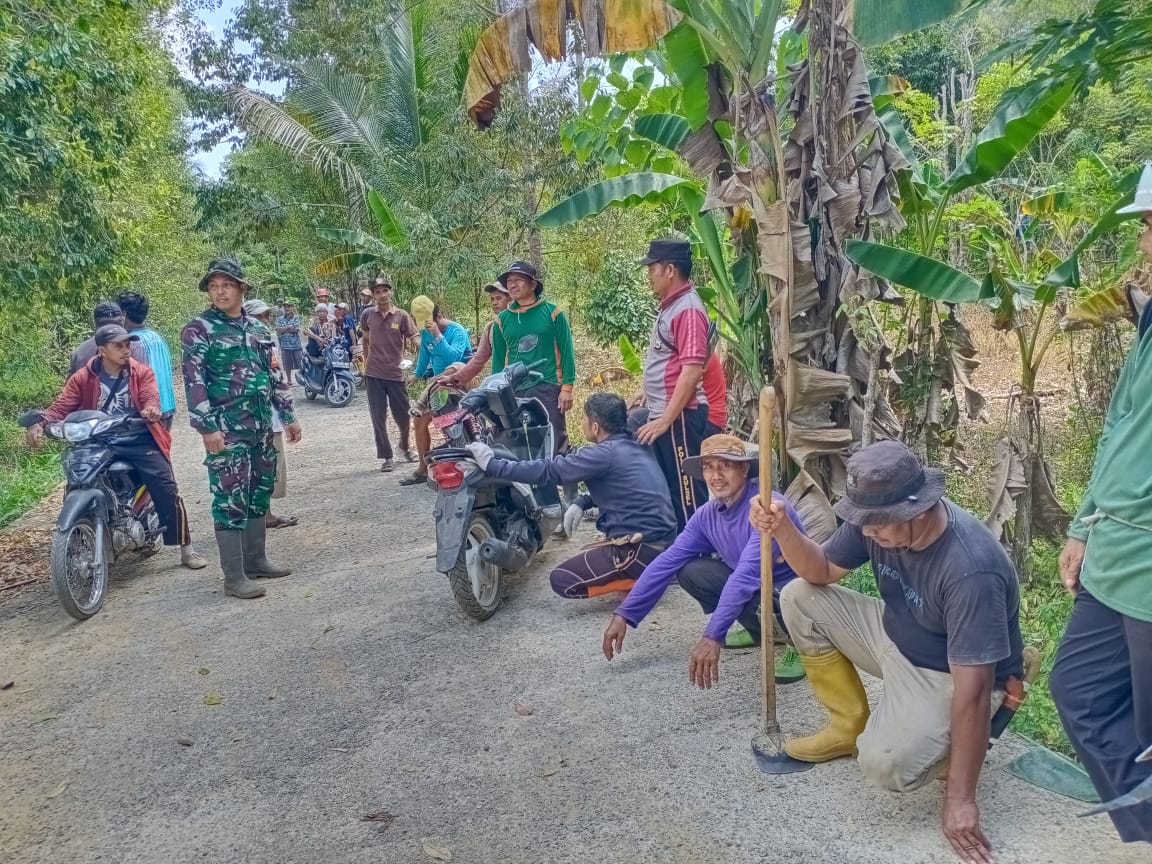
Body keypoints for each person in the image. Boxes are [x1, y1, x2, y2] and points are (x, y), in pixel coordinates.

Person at [749, 440, 1023, 864]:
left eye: (875, 524)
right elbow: (821, 569)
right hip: (895, 633)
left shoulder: (971, 569)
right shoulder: (876, 519)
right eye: (862, 521)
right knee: (799, 596)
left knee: (885, 765)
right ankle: (847, 727)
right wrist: (783, 528)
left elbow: (971, 691)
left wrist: (960, 799)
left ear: (917, 511)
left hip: (949, 673)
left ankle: (988, 718)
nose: (866, 532)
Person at [1050, 161, 1152, 846]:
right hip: (1113, 550)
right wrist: (1084, 523)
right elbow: (1120, 426)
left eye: (1149, 224)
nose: (1143, 240)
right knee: (1079, 690)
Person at [602, 434, 804, 687]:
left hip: (794, 600)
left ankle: (799, 644)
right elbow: (667, 561)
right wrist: (625, 614)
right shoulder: (707, 515)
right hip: (757, 590)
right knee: (692, 571)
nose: (716, 475)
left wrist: (713, 636)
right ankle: (757, 628)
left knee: (748, 585)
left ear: (744, 469)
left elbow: (745, 576)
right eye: (709, 467)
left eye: (725, 465)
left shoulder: (766, 509)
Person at [29, 325, 207, 570]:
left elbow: (150, 396)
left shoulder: (140, 372)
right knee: (76, 483)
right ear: (102, 350)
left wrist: (151, 409)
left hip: (137, 437)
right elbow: (62, 405)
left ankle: (186, 548)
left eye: (127, 344)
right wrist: (42, 423)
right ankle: (79, 543)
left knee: (165, 486)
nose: (126, 350)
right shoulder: (83, 377)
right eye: (118, 346)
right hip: (98, 439)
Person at [465, 393, 676, 598]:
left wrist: (492, 465)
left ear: (595, 426)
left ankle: (644, 582)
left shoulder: (601, 454)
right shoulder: (636, 443)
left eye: (584, 418)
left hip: (639, 551)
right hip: (665, 546)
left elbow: (548, 471)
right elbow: (623, 487)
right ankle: (652, 573)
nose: (582, 423)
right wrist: (582, 501)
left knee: (562, 580)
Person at [182, 258, 302, 600]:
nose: (219, 292)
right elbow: (194, 381)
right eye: (213, 286)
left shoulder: (259, 330)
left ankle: (256, 560)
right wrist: (207, 427)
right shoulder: (199, 329)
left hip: (261, 426)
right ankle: (234, 577)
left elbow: (275, 374)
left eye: (226, 285)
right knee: (229, 497)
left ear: (241, 289)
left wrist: (288, 416)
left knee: (259, 491)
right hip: (226, 429)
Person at [634, 239, 711, 532]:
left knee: (687, 490)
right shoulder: (672, 306)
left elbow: (691, 370)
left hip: (680, 417)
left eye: (652, 268)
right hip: (668, 412)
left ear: (670, 270)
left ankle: (699, 550)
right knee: (674, 488)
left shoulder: (687, 309)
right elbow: (672, 361)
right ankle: (683, 547)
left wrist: (666, 419)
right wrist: (648, 391)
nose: (649, 275)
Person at [489, 261, 577, 464]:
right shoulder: (502, 320)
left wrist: (567, 388)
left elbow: (566, 351)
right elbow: (498, 360)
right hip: (513, 389)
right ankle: (527, 482)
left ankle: (562, 481)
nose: (512, 285)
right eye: (509, 281)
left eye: (518, 280)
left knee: (555, 440)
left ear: (532, 284)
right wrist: (494, 393)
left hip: (547, 384)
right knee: (517, 442)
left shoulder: (553, 313)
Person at [400, 298, 472, 486]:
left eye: (428, 320)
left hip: (457, 382)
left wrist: (438, 336)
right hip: (437, 386)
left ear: (438, 315)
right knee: (419, 422)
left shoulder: (457, 331)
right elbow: (425, 356)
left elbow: (454, 356)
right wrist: (416, 375)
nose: (425, 326)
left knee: (455, 425)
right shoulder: (425, 333)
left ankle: (464, 468)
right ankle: (423, 469)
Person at [245, 299, 298, 530]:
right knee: (263, 468)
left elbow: (278, 381)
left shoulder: (266, 341)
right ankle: (261, 516)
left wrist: (288, 417)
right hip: (256, 419)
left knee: (268, 467)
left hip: (269, 416)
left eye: (266, 316)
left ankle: (264, 514)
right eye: (259, 316)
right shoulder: (248, 343)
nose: (264, 321)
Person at [360, 277, 418, 472]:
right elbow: (365, 338)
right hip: (374, 374)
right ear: (373, 295)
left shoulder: (401, 316)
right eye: (378, 292)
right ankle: (387, 457)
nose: (382, 295)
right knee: (378, 417)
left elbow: (413, 336)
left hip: (396, 373)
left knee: (404, 416)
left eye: (385, 290)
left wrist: (425, 347)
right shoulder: (367, 314)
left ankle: (405, 446)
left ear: (390, 292)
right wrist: (366, 362)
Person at [117, 292, 177, 429]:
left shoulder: (132, 343)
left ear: (124, 315)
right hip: (167, 406)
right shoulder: (156, 337)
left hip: (148, 413)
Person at [440, 282, 512, 388]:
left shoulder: (521, 323)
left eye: (499, 298)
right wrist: (454, 378)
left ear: (511, 298)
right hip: (499, 385)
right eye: (492, 299)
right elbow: (479, 359)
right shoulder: (491, 328)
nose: (495, 303)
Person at [69, 302, 146, 375]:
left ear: (94, 322)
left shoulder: (79, 352)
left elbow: (70, 383)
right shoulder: (133, 346)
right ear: (123, 321)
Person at [276, 300, 306, 385]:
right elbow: (278, 330)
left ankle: (304, 379)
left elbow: (296, 329)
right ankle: (289, 380)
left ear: (292, 308)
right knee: (287, 364)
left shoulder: (296, 317)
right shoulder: (280, 318)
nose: (287, 308)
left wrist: (284, 329)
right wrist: (289, 327)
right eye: (285, 307)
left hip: (296, 344)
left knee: (301, 363)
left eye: (289, 307)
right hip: (284, 344)